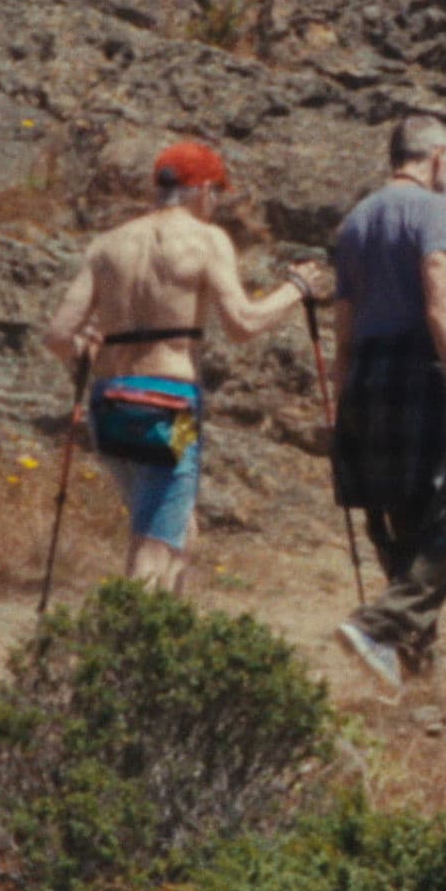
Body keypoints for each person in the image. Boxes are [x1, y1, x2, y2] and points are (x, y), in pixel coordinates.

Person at [45, 139, 326, 594]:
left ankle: (169, 621)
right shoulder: (207, 240)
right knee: (153, 543)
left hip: (110, 405)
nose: (216, 206)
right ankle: (131, 633)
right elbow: (242, 323)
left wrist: (86, 346)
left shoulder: (107, 245)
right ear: (204, 190)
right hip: (168, 407)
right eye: (217, 195)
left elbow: (58, 335)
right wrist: (296, 288)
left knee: (178, 527)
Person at [331, 114, 446, 692]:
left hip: (367, 375)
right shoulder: (435, 210)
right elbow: (439, 305)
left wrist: (342, 409)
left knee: (407, 522)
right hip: (417, 371)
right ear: (435, 157)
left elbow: (343, 330)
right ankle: (377, 625)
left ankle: (415, 678)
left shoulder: (355, 222)